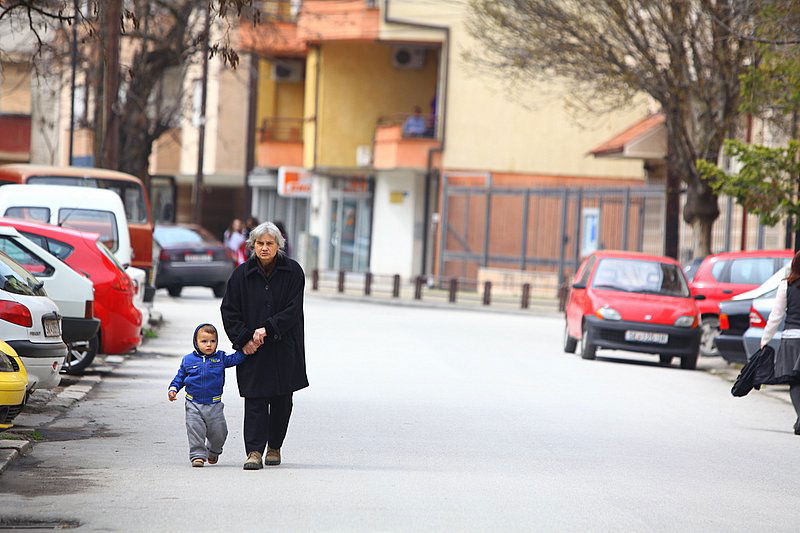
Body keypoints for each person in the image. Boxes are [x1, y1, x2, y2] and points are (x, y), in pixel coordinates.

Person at [220, 221, 309, 470]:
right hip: (254, 350)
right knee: (255, 400)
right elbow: (229, 311)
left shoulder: (293, 272)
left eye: (270, 243)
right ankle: (254, 452)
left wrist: (267, 328)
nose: (264, 248)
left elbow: (293, 311)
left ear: (279, 246)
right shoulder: (241, 275)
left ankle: (275, 446)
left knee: (282, 401)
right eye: (260, 243)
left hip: (284, 347)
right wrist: (244, 340)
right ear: (252, 246)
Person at [168, 323, 247, 467]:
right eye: (204, 341)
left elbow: (236, 358)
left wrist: (246, 350)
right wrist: (173, 389)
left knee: (220, 433)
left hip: (214, 404)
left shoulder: (221, 358)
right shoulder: (188, 360)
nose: (209, 345)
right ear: (196, 342)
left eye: (213, 341)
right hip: (193, 403)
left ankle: (214, 451)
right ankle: (197, 455)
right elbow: (180, 377)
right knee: (195, 430)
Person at [761, 253, 800, 434]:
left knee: (795, 382)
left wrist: (765, 339)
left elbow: (776, 315)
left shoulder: (787, 285)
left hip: (791, 339)